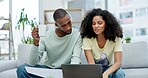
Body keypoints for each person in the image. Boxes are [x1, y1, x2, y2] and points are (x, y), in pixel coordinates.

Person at [17, 8, 82, 78]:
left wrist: (69, 73)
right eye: (63, 25)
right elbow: (32, 63)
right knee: (22, 69)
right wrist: (36, 43)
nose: (68, 27)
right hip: (49, 70)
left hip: (66, 71)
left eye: (69, 23)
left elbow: (76, 58)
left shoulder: (77, 35)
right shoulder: (47, 36)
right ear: (56, 25)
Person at [80, 8, 125, 78]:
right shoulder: (87, 38)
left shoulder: (116, 38)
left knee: (120, 73)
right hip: (95, 69)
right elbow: (91, 62)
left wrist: (105, 74)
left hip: (110, 68)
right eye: (93, 24)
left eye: (100, 23)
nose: (96, 26)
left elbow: (118, 62)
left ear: (106, 24)